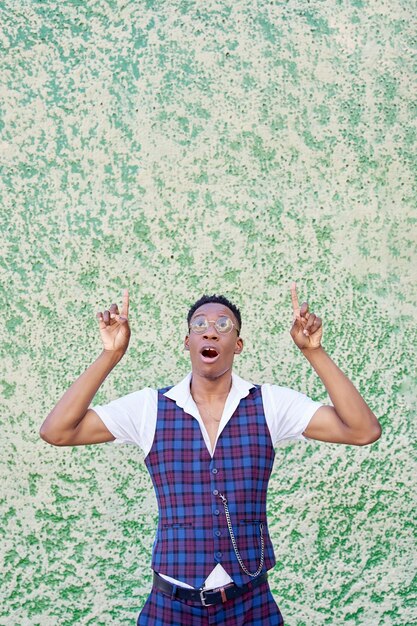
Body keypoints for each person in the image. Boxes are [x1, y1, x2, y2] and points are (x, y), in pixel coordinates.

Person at [40, 284, 381, 626]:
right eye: (199, 325)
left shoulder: (270, 404)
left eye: (223, 326)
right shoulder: (150, 408)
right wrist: (110, 354)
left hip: (251, 604)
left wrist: (314, 352)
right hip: (171, 607)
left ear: (238, 344)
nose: (211, 332)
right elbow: (57, 431)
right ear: (187, 342)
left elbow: (362, 430)